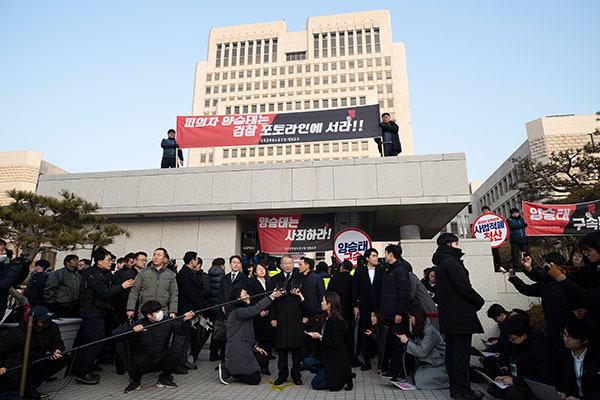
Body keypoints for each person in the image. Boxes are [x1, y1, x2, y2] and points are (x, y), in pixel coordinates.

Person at [432, 233, 485, 400]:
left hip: (449, 316)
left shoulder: (441, 264)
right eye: (456, 243)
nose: (458, 246)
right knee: (461, 356)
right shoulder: (451, 263)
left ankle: (456, 389)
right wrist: (479, 301)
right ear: (449, 244)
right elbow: (463, 287)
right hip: (460, 316)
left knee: (453, 354)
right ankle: (462, 390)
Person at [75, 248, 135, 384]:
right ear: (99, 261)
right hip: (92, 312)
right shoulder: (93, 275)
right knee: (97, 340)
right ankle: (83, 371)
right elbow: (104, 293)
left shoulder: (104, 273)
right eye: (108, 260)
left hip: (100, 312)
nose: (111, 263)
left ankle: (85, 367)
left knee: (89, 341)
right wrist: (123, 287)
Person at [117, 300, 195, 393]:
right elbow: (119, 337)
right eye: (157, 312)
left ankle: (164, 379)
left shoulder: (168, 321)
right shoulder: (140, 323)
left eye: (160, 310)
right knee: (138, 360)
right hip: (145, 359)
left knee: (175, 355)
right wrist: (133, 331)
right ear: (149, 315)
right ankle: (135, 382)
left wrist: (186, 320)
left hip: (161, 357)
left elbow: (182, 331)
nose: (160, 313)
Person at [0, 306, 71, 399]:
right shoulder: (17, 334)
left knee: (63, 358)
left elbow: (57, 342)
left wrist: (57, 350)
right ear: (33, 323)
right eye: (42, 322)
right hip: (15, 367)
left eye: (47, 320)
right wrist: (1, 366)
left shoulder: (52, 328)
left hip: (35, 362)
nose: (46, 323)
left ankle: (29, 388)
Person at [218, 288, 282, 385]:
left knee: (263, 357)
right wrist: (272, 296)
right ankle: (228, 369)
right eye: (245, 294)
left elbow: (248, 329)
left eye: (247, 293)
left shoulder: (242, 311)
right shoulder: (237, 312)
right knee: (255, 380)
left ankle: (240, 369)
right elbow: (255, 309)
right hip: (237, 348)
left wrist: (255, 346)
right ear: (238, 299)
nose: (248, 295)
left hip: (247, 346)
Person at [508, 252, 571, 348]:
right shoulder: (544, 284)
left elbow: (539, 275)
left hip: (567, 324)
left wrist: (529, 269)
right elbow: (527, 289)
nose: (544, 265)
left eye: (546, 262)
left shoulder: (566, 281)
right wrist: (514, 279)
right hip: (551, 325)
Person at [493, 313, 560, 400]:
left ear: (524, 335)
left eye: (512, 338)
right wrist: (509, 374)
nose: (510, 341)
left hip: (539, 388)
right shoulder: (520, 343)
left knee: (512, 393)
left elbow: (543, 379)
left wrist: (514, 381)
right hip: (522, 380)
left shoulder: (540, 349)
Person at [267, 254, 306, 386]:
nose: (288, 265)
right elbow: (270, 301)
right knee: (281, 349)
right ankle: (282, 375)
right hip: (280, 317)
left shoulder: (300, 278)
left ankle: (296, 375)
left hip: (296, 318)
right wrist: (272, 317)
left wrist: (306, 315)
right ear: (281, 265)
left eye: (290, 263)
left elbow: (305, 299)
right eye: (285, 263)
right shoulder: (274, 280)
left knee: (296, 349)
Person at [304, 292, 353, 391]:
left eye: (323, 301)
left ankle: (339, 377)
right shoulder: (325, 317)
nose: (321, 303)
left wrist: (320, 337)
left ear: (329, 304)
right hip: (326, 357)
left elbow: (335, 343)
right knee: (307, 362)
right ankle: (328, 374)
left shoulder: (336, 320)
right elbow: (311, 311)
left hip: (335, 360)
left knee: (316, 385)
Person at [397, 305, 449, 390]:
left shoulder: (430, 331)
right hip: (430, 365)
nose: (410, 320)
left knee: (420, 380)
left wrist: (407, 341)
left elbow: (422, 352)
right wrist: (407, 340)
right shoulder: (422, 329)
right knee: (417, 376)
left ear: (417, 317)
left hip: (439, 364)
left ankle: (448, 379)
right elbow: (419, 345)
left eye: (411, 317)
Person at [379, 244, 411, 381]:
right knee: (392, 343)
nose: (384, 256)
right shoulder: (389, 270)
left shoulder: (400, 271)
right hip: (389, 315)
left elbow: (404, 294)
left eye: (385, 253)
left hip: (397, 315)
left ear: (391, 254)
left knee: (398, 345)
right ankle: (393, 370)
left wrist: (399, 313)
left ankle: (400, 372)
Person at [174, 251, 210, 371]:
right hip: (185, 309)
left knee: (188, 336)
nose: (197, 261)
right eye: (196, 259)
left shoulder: (190, 272)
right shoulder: (184, 273)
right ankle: (179, 361)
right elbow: (190, 293)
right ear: (191, 260)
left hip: (191, 309)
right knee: (183, 336)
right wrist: (200, 305)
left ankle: (184, 359)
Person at [352, 247, 384, 370]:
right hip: (364, 307)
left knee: (380, 333)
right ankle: (367, 361)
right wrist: (355, 306)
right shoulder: (359, 271)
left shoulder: (382, 271)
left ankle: (381, 362)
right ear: (367, 258)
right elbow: (355, 289)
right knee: (364, 333)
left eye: (377, 255)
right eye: (374, 256)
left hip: (378, 308)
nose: (376, 258)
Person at [127, 248, 178, 320]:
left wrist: (173, 311)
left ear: (164, 258)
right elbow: (134, 291)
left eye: (159, 255)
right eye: (154, 255)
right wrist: (130, 308)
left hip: (162, 310)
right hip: (144, 310)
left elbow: (174, 294)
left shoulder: (171, 274)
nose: (155, 257)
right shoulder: (143, 272)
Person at [556, 318, 600, 399]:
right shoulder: (561, 356)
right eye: (565, 334)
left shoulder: (596, 358)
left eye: (571, 337)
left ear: (585, 340)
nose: (565, 339)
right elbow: (560, 381)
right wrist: (562, 392)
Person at [328, 260, 358, 366]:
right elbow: (355, 294)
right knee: (349, 335)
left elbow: (329, 294)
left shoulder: (334, 278)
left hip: (336, 310)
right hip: (349, 311)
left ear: (341, 268)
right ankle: (350, 359)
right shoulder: (353, 279)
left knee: (336, 335)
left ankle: (337, 359)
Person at [247, 262, 275, 357]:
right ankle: (261, 356)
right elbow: (252, 299)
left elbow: (273, 298)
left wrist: (268, 311)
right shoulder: (251, 283)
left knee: (269, 334)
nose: (262, 270)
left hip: (269, 312)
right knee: (259, 335)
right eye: (259, 269)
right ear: (255, 272)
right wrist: (259, 311)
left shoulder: (270, 282)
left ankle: (269, 353)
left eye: (263, 268)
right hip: (257, 313)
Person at [44, 254, 81, 318]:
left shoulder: (78, 276)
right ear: (67, 262)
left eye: (77, 260)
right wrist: (52, 302)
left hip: (75, 305)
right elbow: (50, 287)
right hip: (61, 304)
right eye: (74, 260)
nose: (77, 262)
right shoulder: (58, 273)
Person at [207, 257, 226, 361]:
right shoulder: (223, 277)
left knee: (214, 329)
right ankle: (214, 353)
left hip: (211, 306)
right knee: (219, 330)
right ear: (222, 265)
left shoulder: (208, 274)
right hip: (219, 307)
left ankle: (212, 352)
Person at [482, 206, 503, 270]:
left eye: (486, 210)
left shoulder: (495, 218)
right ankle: (491, 267)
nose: (485, 211)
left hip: (495, 240)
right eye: (484, 211)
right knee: (489, 255)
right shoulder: (481, 220)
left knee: (496, 254)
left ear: (489, 210)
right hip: (487, 241)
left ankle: (499, 266)